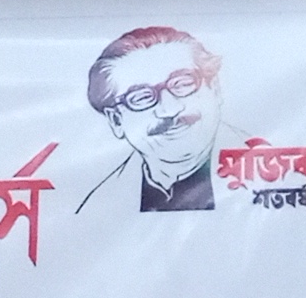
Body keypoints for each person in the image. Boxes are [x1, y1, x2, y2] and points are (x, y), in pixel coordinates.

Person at [84, 25, 227, 212]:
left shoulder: (262, 174)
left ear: (215, 89)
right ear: (116, 120)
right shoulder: (96, 207)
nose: (169, 109)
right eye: (141, 97)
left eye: (182, 84)